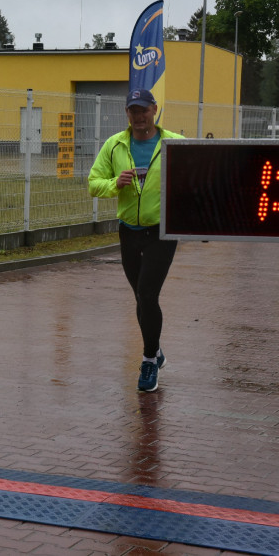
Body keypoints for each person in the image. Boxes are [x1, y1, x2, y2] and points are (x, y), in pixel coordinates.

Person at [87, 88, 183, 392]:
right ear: (126, 113)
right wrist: (115, 183)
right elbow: (93, 183)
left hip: (161, 231)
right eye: (133, 111)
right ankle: (155, 348)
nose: (139, 116)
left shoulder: (174, 144)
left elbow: (196, 179)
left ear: (154, 110)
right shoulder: (115, 145)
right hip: (128, 230)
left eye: (144, 110)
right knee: (141, 298)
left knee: (146, 294)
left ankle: (148, 361)